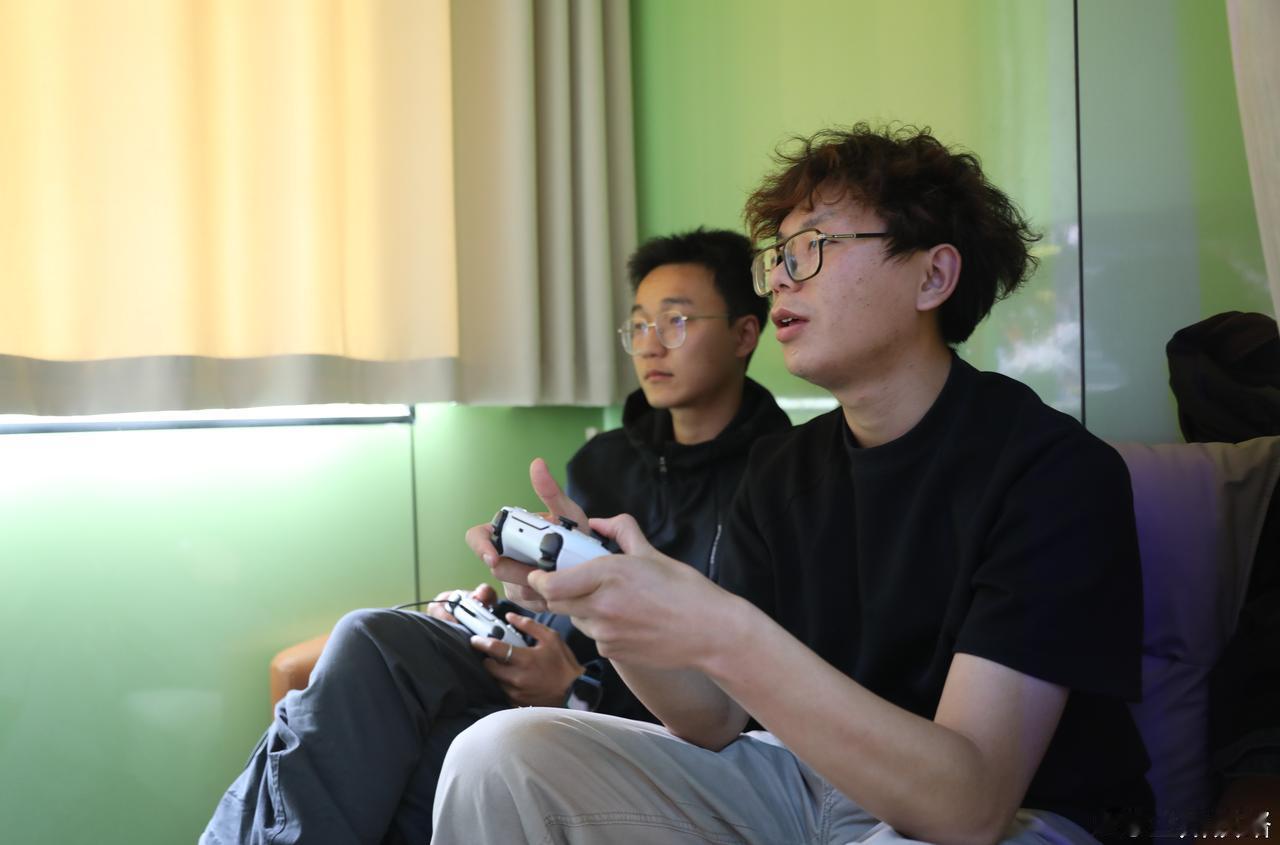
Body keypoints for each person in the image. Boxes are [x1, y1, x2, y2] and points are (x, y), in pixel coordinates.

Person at [439, 124, 1154, 845]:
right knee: (498, 753)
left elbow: (967, 807)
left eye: (812, 246)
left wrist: (722, 628)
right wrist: (606, 606)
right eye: (777, 257)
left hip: (1016, 813)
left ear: (933, 276)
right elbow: (712, 718)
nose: (780, 278)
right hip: (808, 781)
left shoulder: (1051, 471)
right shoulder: (781, 468)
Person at [199, 227, 791, 844]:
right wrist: (502, 614)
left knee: (397, 759)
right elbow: (560, 597)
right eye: (639, 325)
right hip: (526, 675)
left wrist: (579, 691)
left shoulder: (780, 478)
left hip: (630, 718)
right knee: (372, 636)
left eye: (676, 321)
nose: (650, 344)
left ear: (744, 334)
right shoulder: (605, 461)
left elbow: (743, 689)